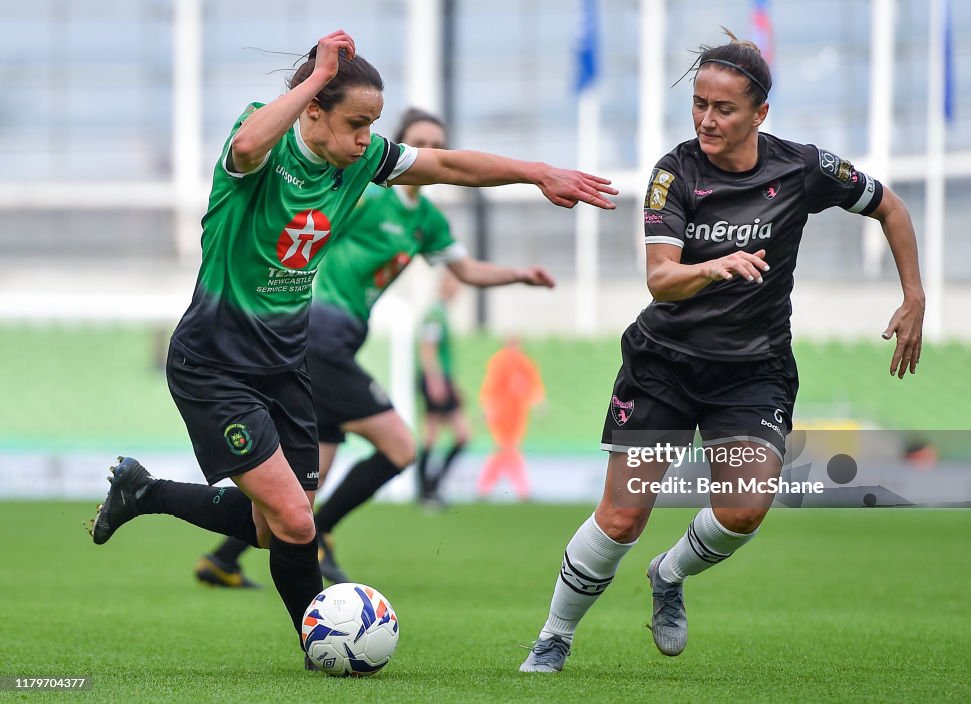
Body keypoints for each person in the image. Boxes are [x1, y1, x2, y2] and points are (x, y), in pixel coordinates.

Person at [84, 29, 616, 671]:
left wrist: (537, 173)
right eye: (356, 123)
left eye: (373, 125)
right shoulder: (262, 139)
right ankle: (324, 650)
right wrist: (312, 79)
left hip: (285, 367)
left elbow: (446, 166)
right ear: (313, 111)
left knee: (270, 528)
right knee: (296, 521)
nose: (367, 138)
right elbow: (249, 144)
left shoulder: (360, 161)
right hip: (215, 364)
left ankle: (145, 492)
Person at [519, 30, 924, 673]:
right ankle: (554, 635)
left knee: (745, 507)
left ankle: (669, 575)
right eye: (699, 105)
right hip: (665, 365)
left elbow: (891, 208)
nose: (707, 119)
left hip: (753, 371)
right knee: (622, 517)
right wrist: (715, 267)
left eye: (724, 108)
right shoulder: (673, 172)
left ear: (760, 113)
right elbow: (659, 278)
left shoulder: (804, 167)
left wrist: (914, 297)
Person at [194, 107, 558, 586]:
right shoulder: (364, 195)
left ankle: (222, 559)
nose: (431, 150)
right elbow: (302, 228)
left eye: (438, 142)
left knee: (308, 478)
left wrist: (519, 275)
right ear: (403, 146)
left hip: (337, 342)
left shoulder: (427, 220)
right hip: (315, 334)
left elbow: (466, 271)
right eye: (421, 141)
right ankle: (319, 535)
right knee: (400, 446)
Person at [415, 270, 472, 507]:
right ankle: (426, 490)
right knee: (437, 435)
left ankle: (431, 487)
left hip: (441, 379)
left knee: (457, 435)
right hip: (434, 379)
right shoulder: (435, 314)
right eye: (454, 282)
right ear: (445, 284)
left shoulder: (441, 313)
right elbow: (427, 349)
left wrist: (453, 384)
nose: (457, 288)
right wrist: (436, 382)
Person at [477, 337, 546, 501]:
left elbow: (533, 385)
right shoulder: (499, 362)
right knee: (507, 449)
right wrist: (487, 408)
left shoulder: (524, 362)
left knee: (506, 450)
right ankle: (521, 489)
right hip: (501, 414)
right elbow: (490, 387)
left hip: (517, 414)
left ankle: (485, 487)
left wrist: (538, 403)